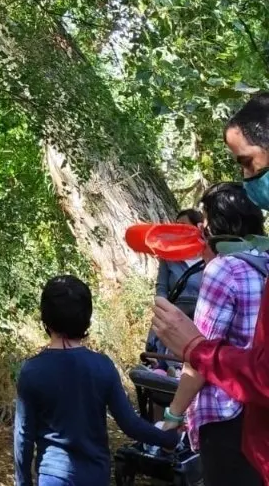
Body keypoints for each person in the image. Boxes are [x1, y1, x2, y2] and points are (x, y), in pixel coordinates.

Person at [153, 91, 269, 481]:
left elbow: (200, 362)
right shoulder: (263, 260)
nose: (248, 178)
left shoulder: (224, 271)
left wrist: (172, 416)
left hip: (227, 416)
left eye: (247, 163)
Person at [14, 275, 180, 486]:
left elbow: (23, 436)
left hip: (53, 476)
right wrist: (169, 439)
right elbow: (130, 424)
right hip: (95, 475)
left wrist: (23, 482)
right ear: (87, 318)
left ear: (45, 319)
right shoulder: (102, 366)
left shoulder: (32, 370)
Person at [146, 209, 205, 374]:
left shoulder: (208, 259)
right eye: (176, 225)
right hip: (171, 313)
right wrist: (163, 311)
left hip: (199, 318)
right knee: (159, 361)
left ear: (197, 228)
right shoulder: (168, 257)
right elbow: (161, 288)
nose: (179, 229)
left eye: (184, 225)